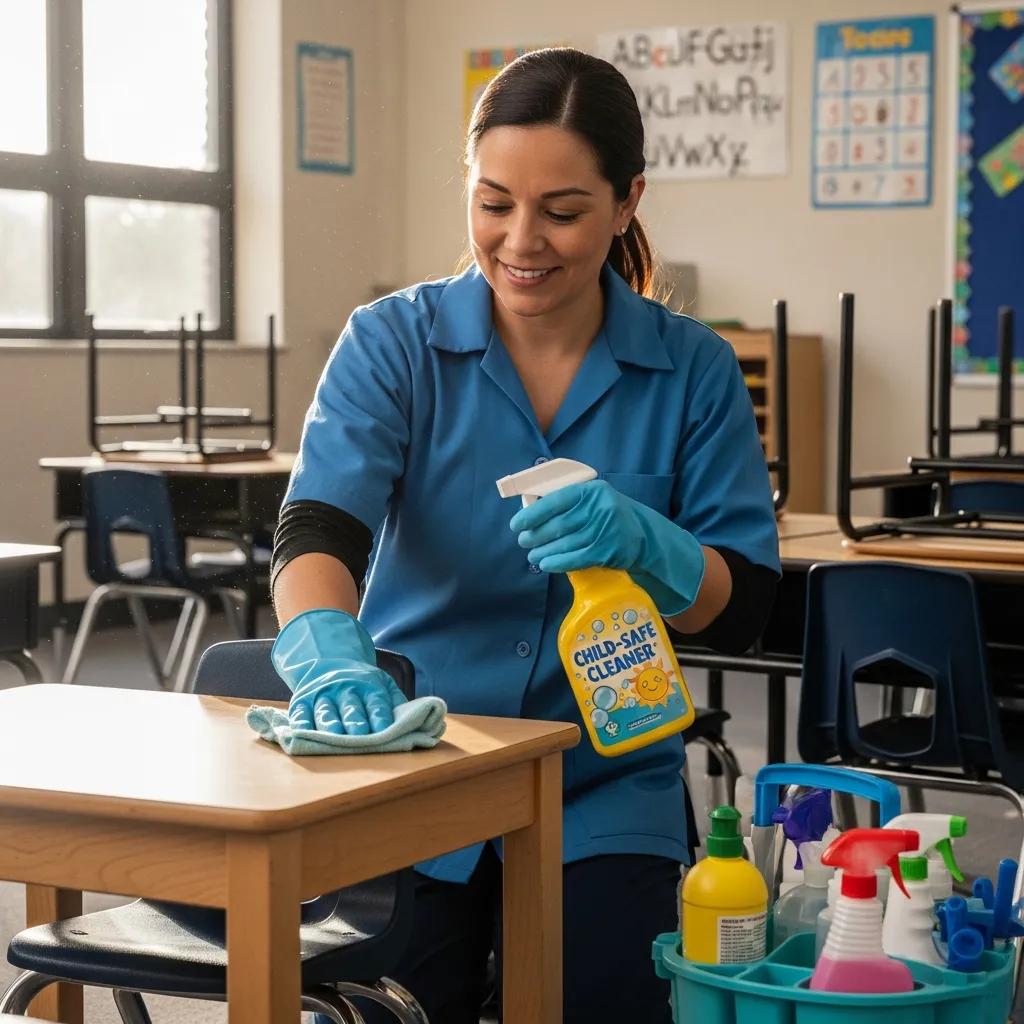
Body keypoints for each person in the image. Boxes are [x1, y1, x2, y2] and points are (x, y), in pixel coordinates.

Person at [272, 47, 779, 1024]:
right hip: (419, 763)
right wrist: (329, 658)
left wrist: (648, 542)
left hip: (604, 780)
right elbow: (316, 531)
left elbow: (746, 605)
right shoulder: (394, 342)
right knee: (395, 1004)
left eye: (561, 210)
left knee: (602, 1000)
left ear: (627, 201)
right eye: (493, 201)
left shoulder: (693, 370)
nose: (519, 240)